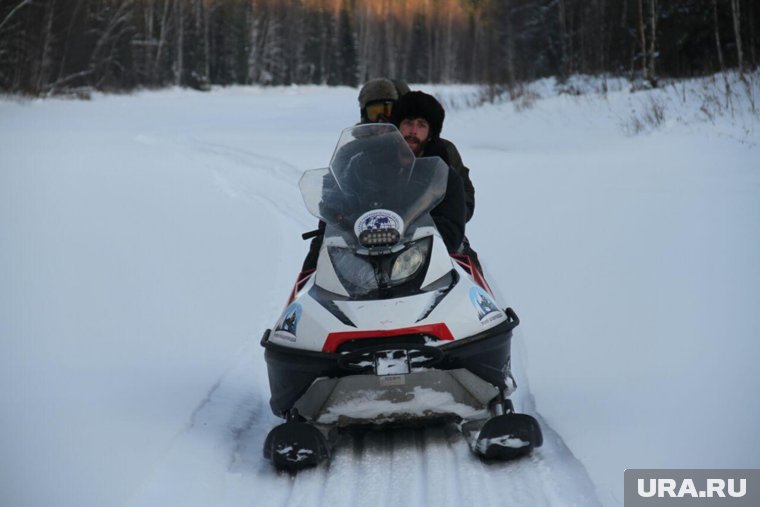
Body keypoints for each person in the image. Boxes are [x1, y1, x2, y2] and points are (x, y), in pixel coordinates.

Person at [357, 78, 476, 222]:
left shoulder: (441, 150)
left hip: (428, 232)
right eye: (374, 112)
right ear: (365, 115)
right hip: (370, 231)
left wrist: (449, 214)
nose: (381, 119)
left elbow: (463, 195)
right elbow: (335, 191)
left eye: (388, 110)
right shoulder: (356, 151)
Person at [390, 90, 483, 274]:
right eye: (408, 123)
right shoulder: (376, 158)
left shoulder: (444, 162)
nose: (413, 131)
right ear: (397, 126)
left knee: (469, 272)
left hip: (430, 243)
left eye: (421, 125)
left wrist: (446, 218)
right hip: (373, 240)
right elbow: (347, 197)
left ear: (431, 133)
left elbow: (461, 205)